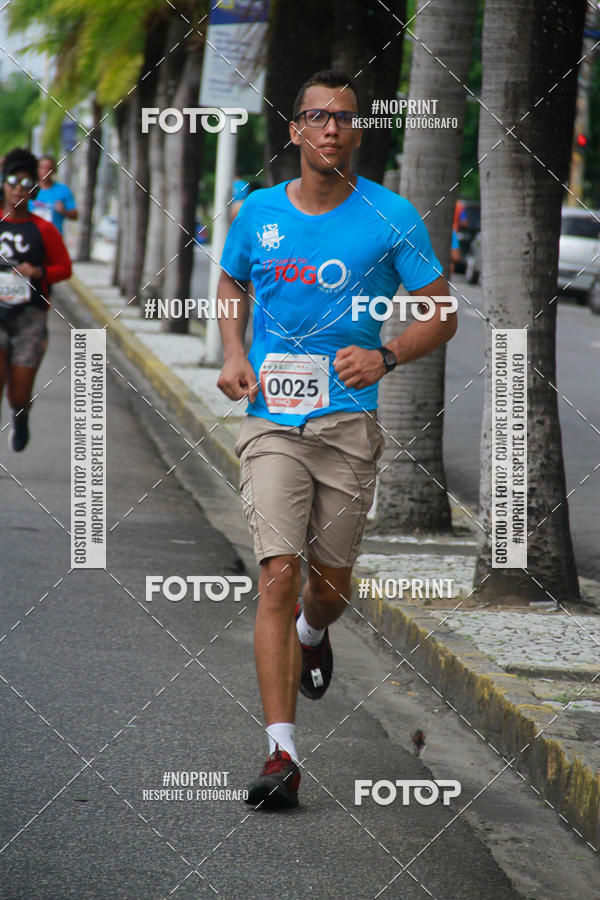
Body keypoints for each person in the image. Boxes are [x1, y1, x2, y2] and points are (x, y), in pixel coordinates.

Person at [216, 70, 457, 809]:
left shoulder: (389, 217)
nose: (330, 130)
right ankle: (281, 754)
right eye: (316, 118)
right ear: (294, 131)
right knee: (278, 575)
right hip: (272, 426)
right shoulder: (257, 212)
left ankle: (316, 636)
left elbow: (441, 312)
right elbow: (231, 285)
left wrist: (386, 354)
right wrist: (232, 352)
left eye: (344, 120)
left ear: (357, 132)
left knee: (327, 590)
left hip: (349, 422)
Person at [0, 148, 72, 451]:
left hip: (30, 317)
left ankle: (20, 416)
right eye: (13, 181)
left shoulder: (43, 229)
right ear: (3, 183)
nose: (19, 188)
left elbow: (64, 268)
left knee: (18, 392)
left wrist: (38, 270)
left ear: (33, 189)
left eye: (26, 183)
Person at [29, 155, 78, 234]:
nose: (45, 171)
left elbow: (75, 215)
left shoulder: (62, 190)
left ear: (54, 170)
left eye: (48, 168)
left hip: (54, 235)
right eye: (42, 168)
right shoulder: (29, 190)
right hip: (32, 235)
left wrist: (63, 211)